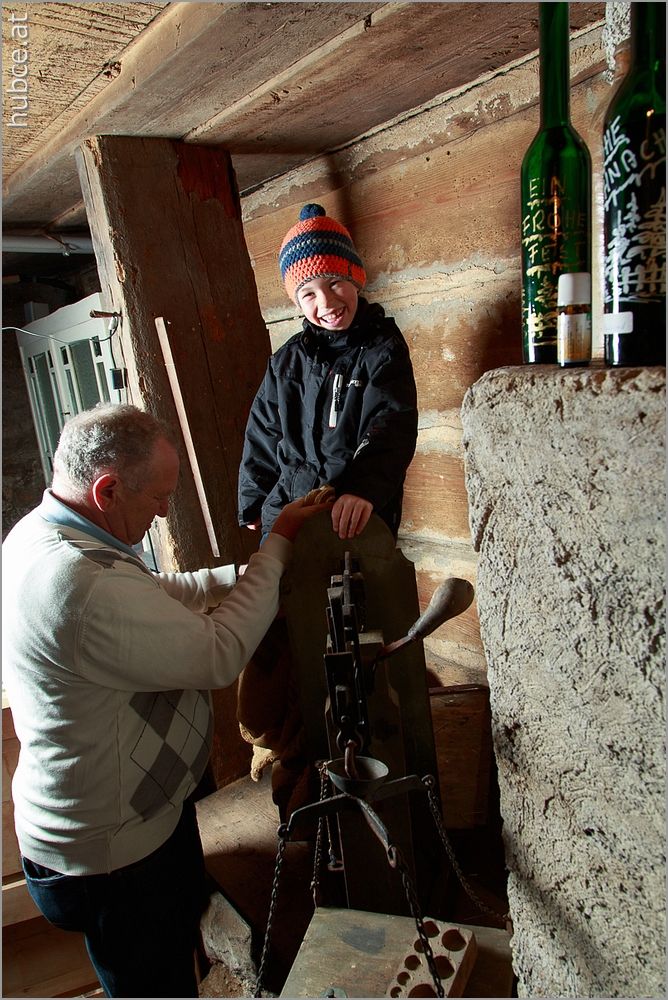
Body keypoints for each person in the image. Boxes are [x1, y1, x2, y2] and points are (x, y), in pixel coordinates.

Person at [1, 402, 333, 999]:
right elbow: (219, 652)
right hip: (110, 856)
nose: (161, 512)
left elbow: (155, 593)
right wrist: (279, 543)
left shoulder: (48, 533)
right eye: (157, 499)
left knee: (173, 956)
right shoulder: (79, 583)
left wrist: (244, 575)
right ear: (106, 490)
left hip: (131, 823)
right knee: (152, 986)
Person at [238, 202, 418, 542]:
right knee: (280, 574)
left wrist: (363, 489)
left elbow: (391, 424)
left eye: (335, 283)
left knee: (351, 575)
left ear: (356, 278)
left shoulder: (382, 351)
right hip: (287, 508)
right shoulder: (287, 361)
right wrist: (254, 497)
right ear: (297, 303)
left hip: (351, 511)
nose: (326, 303)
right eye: (308, 294)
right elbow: (263, 429)